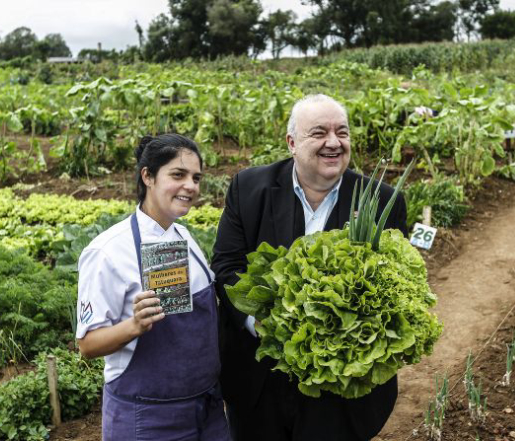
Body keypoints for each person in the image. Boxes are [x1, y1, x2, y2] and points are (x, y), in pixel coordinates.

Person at [211, 94, 408, 441]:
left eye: (342, 132)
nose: (333, 142)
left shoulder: (382, 200)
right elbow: (227, 266)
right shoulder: (250, 187)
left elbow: (398, 286)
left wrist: (345, 334)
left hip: (340, 388)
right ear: (292, 142)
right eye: (319, 133)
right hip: (260, 379)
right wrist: (260, 323)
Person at [76, 134, 230, 441]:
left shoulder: (186, 239)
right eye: (178, 175)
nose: (191, 186)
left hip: (206, 409)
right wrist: (134, 326)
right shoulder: (108, 252)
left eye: (196, 178)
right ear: (147, 176)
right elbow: (87, 345)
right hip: (148, 418)